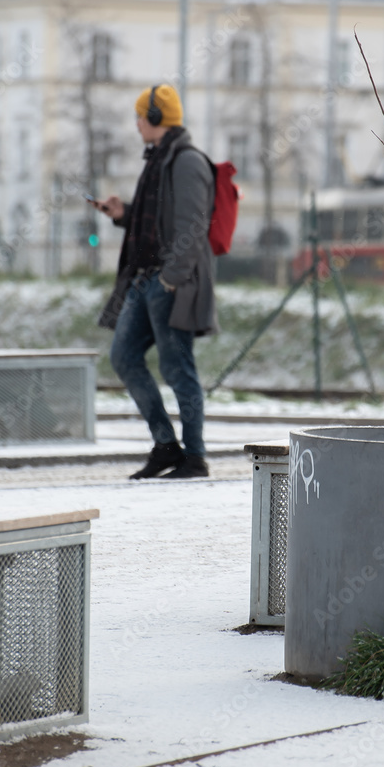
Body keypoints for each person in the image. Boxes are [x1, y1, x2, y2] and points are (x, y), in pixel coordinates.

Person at [92, 84, 217, 479]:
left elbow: (194, 227)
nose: (137, 124)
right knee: (124, 358)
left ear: (157, 118)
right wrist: (122, 213)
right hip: (144, 281)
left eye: (141, 117)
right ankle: (166, 446)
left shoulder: (187, 162)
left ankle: (194, 458)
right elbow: (156, 221)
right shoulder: (158, 160)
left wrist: (170, 280)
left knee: (178, 367)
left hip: (167, 285)